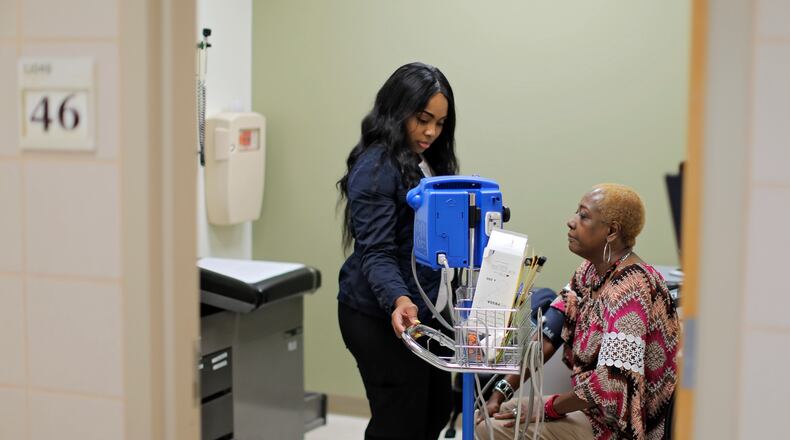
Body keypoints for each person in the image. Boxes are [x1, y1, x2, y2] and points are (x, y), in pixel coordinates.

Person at [475, 184, 680, 440]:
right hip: (592, 411)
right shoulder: (589, 272)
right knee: (487, 414)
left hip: (620, 426)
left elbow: (610, 383)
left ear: (612, 231)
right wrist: (501, 390)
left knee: (490, 430)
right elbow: (550, 332)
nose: (570, 222)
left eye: (583, 216)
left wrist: (546, 408)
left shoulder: (631, 290)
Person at [337, 62, 459, 440]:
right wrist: (399, 298)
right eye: (422, 119)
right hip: (380, 315)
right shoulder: (376, 168)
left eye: (439, 123)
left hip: (421, 312)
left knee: (435, 409)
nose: (430, 131)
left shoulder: (425, 160)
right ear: (396, 110)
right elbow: (376, 252)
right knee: (399, 425)